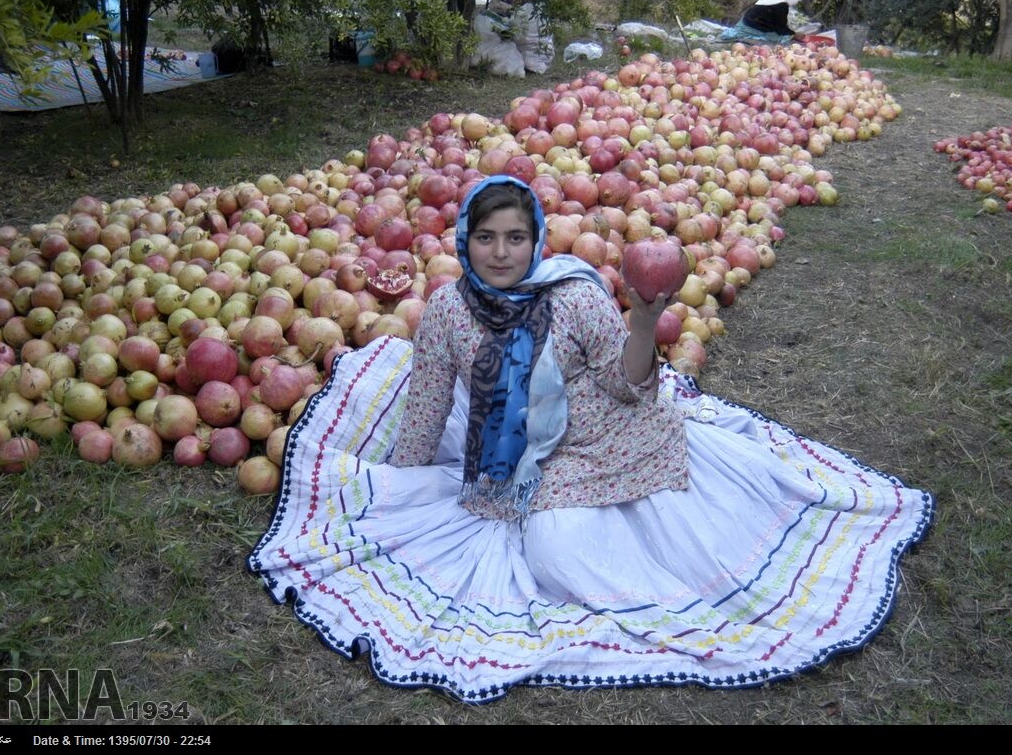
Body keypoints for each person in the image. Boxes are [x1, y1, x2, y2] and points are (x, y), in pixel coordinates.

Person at [248, 175, 933, 703]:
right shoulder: (450, 311)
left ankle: (690, 607)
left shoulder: (573, 294)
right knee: (553, 549)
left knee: (580, 540)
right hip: (521, 453)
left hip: (607, 434)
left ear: (536, 238)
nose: (502, 252)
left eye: (516, 238)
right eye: (486, 238)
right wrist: (401, 486)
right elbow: (427, 408)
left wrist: (642, 322)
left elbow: (628, 383)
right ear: (464, 240)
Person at [720, 0, 806, 44]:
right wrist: (794, 34)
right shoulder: (781, 5)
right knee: (781, 39)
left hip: (744, 23)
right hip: (752, 28)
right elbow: (781, 28)